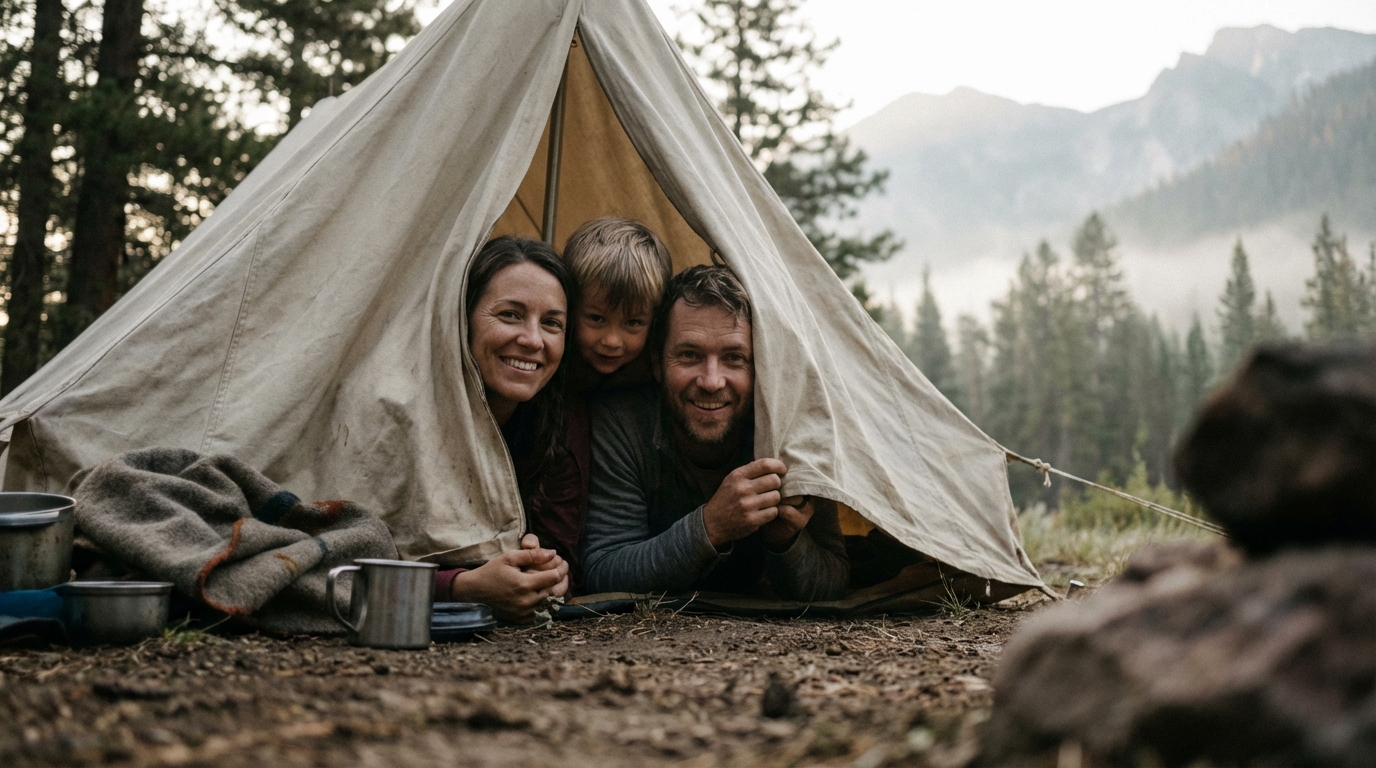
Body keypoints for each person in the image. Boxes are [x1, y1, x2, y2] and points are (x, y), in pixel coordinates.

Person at [580, 264, 849, 600]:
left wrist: (785, 541)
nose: (711, 381)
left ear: (761, 367)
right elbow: (603, 568)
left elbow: (834, 579)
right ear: (657, 364)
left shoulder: (790, 429)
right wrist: (711, 526)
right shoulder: (622, 422)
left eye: (734, 358)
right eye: (689, 355)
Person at [434, 236, 579, 623]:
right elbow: (358, 562)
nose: (532, 340)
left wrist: (548, 572)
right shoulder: (403, 419)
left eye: (551, 323)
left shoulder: (559, 425)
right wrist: (460, 586)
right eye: (510, 315)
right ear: (464, 317)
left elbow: (565, 552)